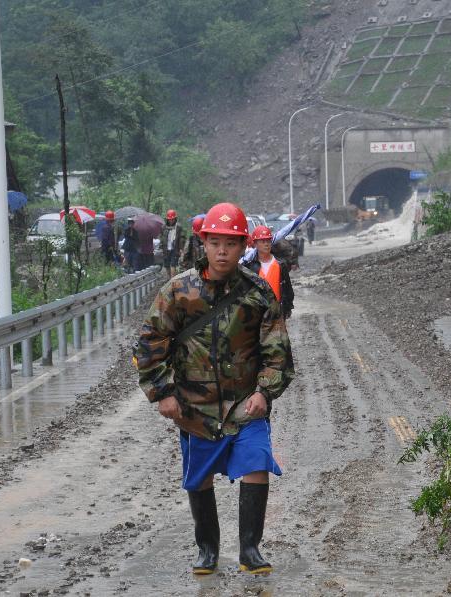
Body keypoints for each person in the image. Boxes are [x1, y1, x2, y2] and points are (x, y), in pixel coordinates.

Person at [133, 202, 294, 576]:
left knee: (256, 464)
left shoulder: (257, 294)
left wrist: (264, 392)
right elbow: (151, 341)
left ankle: (250, 550)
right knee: (199, 476)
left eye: (232, 244)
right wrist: (163, 392)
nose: (223, 251)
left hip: (244, 404)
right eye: (215, 242)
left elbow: (278, 352)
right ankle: (207, 551)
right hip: (194, 407)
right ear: (203, 243)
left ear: (244, 248)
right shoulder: (178, 291)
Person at [245, 226, 294, 320]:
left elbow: (287, 288)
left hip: (277, 311)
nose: (266, 244)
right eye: (262, 241)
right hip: (257, 313)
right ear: (255, 244)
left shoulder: (280, 264)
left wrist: (288, 308)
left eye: (268, 241)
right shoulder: (250, 267)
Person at [162, 209, 184, 278]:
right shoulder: (163, 227)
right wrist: (160, 246)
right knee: (167, 266)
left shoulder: (178, 227)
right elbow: (161, 237)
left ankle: (173, 281)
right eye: (170, 219)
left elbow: (182, 238)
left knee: (173, 265)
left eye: (172, 219)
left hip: (174, 249)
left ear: (175, 219)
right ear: (167, 219)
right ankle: (170, 279)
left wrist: (181, 248)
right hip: (166, 249)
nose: (171, 221)